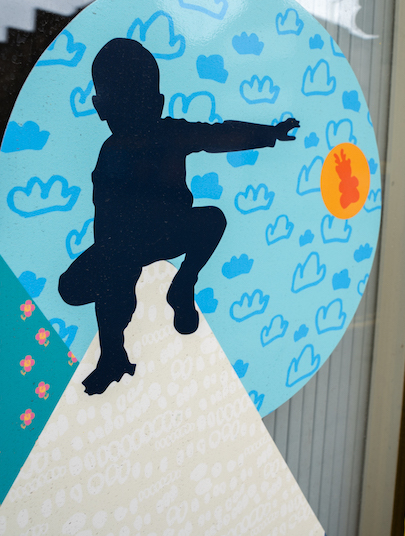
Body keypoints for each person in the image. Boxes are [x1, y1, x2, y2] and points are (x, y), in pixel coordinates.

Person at [59, 38, 299, 395]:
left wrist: (269, 134)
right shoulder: (111, 154)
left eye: (141, 104)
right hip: (124, 245)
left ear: (158, 104)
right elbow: (103, 218)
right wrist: (114, 271)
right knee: (77, 287)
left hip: (171, 231)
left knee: (213, 220)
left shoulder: (171, 132)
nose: (135, 117)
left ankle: (184, 283)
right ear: (101, 108)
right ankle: (112, 353)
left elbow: (219, 135)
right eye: (124, 105)